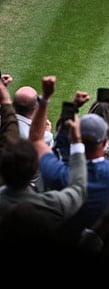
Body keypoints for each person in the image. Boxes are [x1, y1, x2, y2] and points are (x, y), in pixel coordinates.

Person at [29, 77, 109, 244]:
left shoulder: (60, 173)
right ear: (104, 142)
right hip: (106, 256)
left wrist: (46, 99)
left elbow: (36, 139)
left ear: (75, 138)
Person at [0, 75, 87, 229]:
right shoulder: (46, 205)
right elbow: (78, 189)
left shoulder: (6, 127)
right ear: (34, 168)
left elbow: (10, 123)